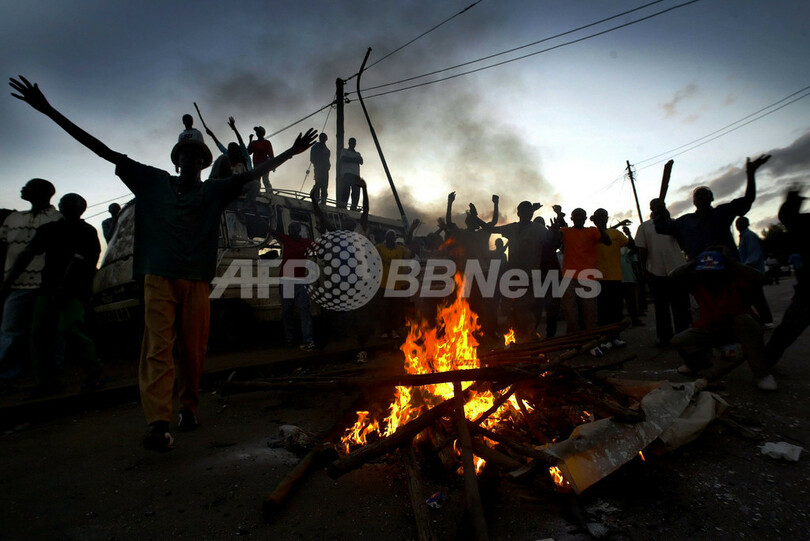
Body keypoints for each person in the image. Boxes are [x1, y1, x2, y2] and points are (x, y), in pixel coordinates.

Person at [9, 75, 317, 451]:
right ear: (176, 159)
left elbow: (252, 174)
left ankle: (188, 406)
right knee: (156, 347)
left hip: (198, 280)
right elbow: (103, 150)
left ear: (204, 164)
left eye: (197, 156)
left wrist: (291, 153)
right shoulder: (152, 182)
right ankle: (158, 421)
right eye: (185, 154)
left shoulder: (214, 191)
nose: (190, 159)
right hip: (157, 276)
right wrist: (49, 110)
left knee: (194, 349)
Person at [1, 193, 102, 397]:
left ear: (81, 209)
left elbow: (90, 265)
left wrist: (82, 291)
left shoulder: (87, 232)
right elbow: (28, 254)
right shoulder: (50, 229)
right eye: (66, 204)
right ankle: (45, 383)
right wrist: (9, 282)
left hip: (73, 292)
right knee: (38, 336)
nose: (69, 207)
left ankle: (93, 371)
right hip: (48, 290)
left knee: (69, 330)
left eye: (73, 205)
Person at [669, 249, 776, 391]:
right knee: (679, 341)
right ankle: (700, 365)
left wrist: (732, 263)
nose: (710, 277)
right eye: (706, 273)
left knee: (745, 321)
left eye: (714, 272)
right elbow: (672, 276)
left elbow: (761, 278)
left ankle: (762, 374)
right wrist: (695, 261)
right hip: (711, 328)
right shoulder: (697, 281)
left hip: (737, 328)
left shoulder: (735, 279)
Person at [0, 178, 62, 393]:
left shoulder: (58, 218)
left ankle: (52, 377)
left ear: (44, 193)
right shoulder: (12, 218)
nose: (23, 188)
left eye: (29, 187)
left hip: (48, 286)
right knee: (10, 333)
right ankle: (6, 379)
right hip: (15, 285)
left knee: (50, 333)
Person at [655, 155, 771, 260]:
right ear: (694, 201)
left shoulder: (722, 212)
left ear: (712, 198)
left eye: (705, 194)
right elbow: (663, 227)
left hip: (727, 266)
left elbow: (747, 200)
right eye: (697, 195)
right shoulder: (684, 221)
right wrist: (660, 211)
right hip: (698, 270)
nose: (701, 196)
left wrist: (750, 174)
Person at [635, 198, 691, 347]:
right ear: (651, 209)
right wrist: (644, 269)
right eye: (655, 207)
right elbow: (642, 249)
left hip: (678, 269)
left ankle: (684, 335)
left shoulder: (674, 224)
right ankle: (664, 337)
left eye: (661, 206)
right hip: (656, 270)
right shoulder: (645, 227)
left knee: (681, 306)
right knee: (661, 307)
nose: (658, 209)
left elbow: (684, 244)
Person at [765, 188, 810, 371]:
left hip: (807, 294)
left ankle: (765, 364)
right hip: (806, 292)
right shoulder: (802, 224)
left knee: (787, 329)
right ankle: (765, 363)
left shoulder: (803, 224)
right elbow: (786, 217)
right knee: (786, 330)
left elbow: (786, 216)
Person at [556, 207, 611, 341]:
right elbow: (557, 237)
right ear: (572, 219)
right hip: (569, 277)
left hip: (588, 276)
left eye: (582, 216)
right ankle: (574, 339)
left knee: (590, 311)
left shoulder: (592, 231)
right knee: (570, 311)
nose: (579, 219)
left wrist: (598, 224)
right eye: (576, 216)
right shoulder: (566, 231)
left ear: (586, 218)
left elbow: (608, 241)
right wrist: (558, 217)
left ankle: (591, 339)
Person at [268, 221, 316, 351]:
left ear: (298, 229)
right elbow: (270, 229)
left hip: (298, 281)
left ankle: (308, 340)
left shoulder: (306, 242)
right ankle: (290, 338)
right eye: (289, 228)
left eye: (292, 228)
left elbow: (319, 249)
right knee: (287, 311)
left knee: (303, 310)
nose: (290, 230)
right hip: (288, 280)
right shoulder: (287, 239)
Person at [591, 209, 629, 346]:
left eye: (603, 216)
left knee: (616, 310)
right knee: (602, 311)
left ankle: (615, 336)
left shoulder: (616, 234)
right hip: (598, 279)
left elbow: (631, 245)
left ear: (607, 218)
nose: (602, 218)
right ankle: (604, 337)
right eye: (598, 217)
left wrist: (628, 233)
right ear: (594, 218)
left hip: (615, 277)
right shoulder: (592, 233)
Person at [736, 216, 773, 326]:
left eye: (739, 224)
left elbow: (753, 254)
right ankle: (761, 319)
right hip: (749, 272)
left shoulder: (748, 236)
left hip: (752, 272)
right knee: (752, 297)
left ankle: (767, 320)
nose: (737, 226)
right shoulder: (744, 236)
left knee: (757, 297)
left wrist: (746, 268)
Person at [247, 125, 274, 193]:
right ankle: (256, 193)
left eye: (259, 131)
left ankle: (270, 193)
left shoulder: (267, 142)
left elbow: (271, 154)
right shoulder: (254, 143)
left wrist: (273, 165)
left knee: (265, 179)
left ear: (262, 133)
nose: (257, 133)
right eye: (257, 132)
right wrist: (250, 140)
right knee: (257, 180)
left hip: (265, 164)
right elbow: (248, 152)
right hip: (256, 164)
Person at [339, 137, 363, 210]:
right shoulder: (344, 151)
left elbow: (361, 161)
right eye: (351, 142)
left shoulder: (357, 153)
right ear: (349, 143)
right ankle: (343, 206)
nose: (353, 144)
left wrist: (350, 159)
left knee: (356, 192)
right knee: (346, 190)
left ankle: (353, 207)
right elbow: (343, 159)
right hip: (347, 173)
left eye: (354, 143)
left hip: (356, 175)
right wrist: (355, 160)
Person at [310, 133, 331, 205]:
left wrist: (328, 166)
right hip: (318, 168)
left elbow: (328, 161)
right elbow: (312, 159)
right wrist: (318, 163)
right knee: (318, 184)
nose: (323, 140)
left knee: (324, 186)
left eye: (324, 138)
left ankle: (323, 201)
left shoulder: (327, 150)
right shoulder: (315, 147)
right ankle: (316, 199)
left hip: (325, 170)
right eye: (322, 138)